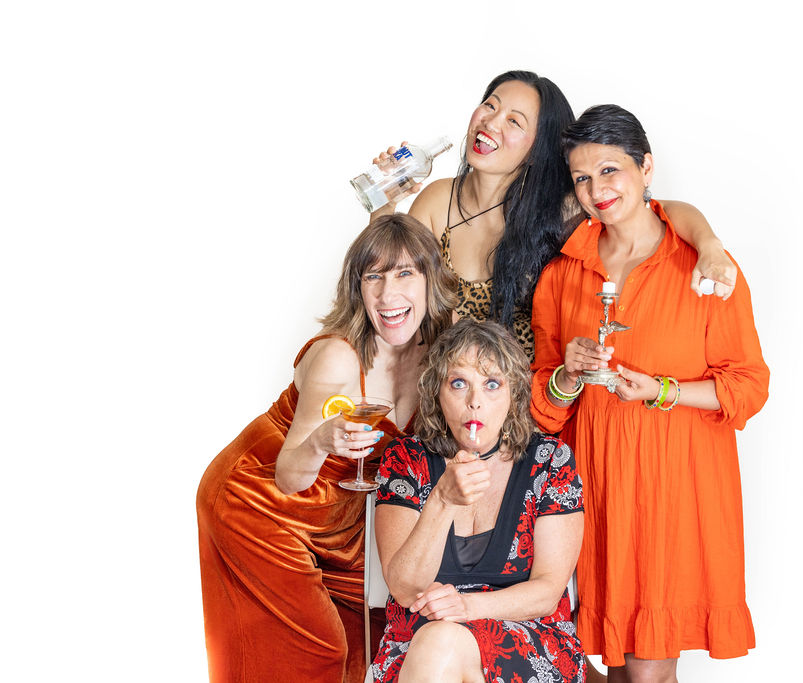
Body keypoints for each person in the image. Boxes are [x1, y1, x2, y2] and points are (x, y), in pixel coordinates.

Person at [530, 104, 770, 682]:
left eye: (610, 171)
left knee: (647, 669)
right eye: (582, 178)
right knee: (613, 665)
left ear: (646, 168)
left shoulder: (703, 266)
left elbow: (749, 385)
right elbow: (542, 404)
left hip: (676, 490)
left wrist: (662, 391)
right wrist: (567, 374)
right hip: (599, 490)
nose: (596, 190)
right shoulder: (564, 273)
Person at [196, 214, 457, 683]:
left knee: (374, 646)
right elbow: (290, 475)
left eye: (403, 274)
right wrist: (323, 439)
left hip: (344, 524)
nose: (387, 293)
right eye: (371, 276)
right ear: (356, 289)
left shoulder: (438, 351)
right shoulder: (339, 356)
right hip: (262, 505)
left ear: (430, 280)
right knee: (317, 652)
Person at [372, 69, 738, 362]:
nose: (492, 122)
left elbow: (649, 209)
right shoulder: (440, 200)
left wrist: (709, 247)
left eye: (515, 121)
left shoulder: (559, 207)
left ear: (537, 148)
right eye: (490, 106)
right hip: (450, 392)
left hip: (530, 405)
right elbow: (386, 282)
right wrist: (384, 203)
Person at [371, 319, 585, 682]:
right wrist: (442, 500)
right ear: (437, 393)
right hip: (417, 640)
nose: (475, 402)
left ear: (514, 394)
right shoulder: (406, 460)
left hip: (529, 636)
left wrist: (466, 606)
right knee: (438, 642)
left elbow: (548, 593)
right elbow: (405, 589)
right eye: (459, 383)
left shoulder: (550, 461)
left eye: (492, 384)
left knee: (441, 641)